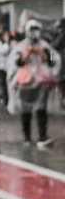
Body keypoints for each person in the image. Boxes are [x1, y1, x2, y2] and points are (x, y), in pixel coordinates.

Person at [8, 19, 61, 148]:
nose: (34, 33)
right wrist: (27, 54)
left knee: (41, 108)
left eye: (36, 30)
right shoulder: (20, 46)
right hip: (25, 81)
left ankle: (42, 137)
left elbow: (53, 61)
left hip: (41, 80)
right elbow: (17, 63)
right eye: (32, 30)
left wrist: (43, 55)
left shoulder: (45, 45)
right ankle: (27, 137)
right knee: (26, 109)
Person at [0, 30, 13, 108]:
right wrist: (7, 43)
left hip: (9, 67)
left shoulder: (11, 43)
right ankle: (6, 100)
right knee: (4, 85)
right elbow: (3, 51)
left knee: (9, 84)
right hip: (2, 67)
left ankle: (10, 100)